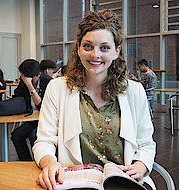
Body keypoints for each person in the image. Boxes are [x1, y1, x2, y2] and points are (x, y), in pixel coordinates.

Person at [33, 10, 156, 190]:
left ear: (116, 51)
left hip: (124, 182)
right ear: (78, 49)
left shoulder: (134, 91)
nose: (95, 55)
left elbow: (146, 143)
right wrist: (50, 163)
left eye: (104, 47)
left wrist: (141, 165)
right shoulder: (58, 88)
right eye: (88, 46)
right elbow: (44, 141)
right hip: (76, 182)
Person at [11, 59, 52, 161]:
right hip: (32, 119)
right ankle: (26, 162)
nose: (27, 80)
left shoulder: (48, 83)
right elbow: (17, 98)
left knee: (34, 135)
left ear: (39, 74)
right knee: (16, 135)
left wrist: (30, 87)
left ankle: (39, 163)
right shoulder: (24, 82)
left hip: (46, 120)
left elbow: (42, 107)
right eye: (25, 77)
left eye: (30, 78)